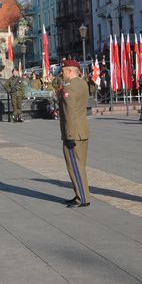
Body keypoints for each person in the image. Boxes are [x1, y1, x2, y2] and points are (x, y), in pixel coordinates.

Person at [58, 59, 91, 208]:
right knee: (80, 166)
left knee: (75, 167)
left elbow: (69, 113)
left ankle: (82, 198)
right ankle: (80, 195)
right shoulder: (83, 84)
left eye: (63, 70)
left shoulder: (68, 89)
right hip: (83, 131)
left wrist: (69, 136)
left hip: (73, 134)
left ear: (70, 71)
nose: (61, 73)